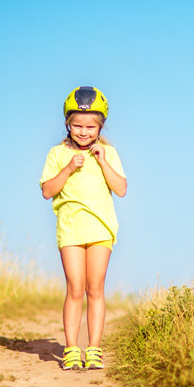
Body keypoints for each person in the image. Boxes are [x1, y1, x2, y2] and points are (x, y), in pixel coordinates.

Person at [39, 86, 128, 371]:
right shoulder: (56, 153)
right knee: (75, 288)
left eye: (90, 126)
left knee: (95, 288)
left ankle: (94, 349)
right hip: (71, 229)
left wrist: (102, 161)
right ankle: (72, 349)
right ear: (67, 123)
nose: (83, 131)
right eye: (77, 125)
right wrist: (67, 169)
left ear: (100, 126)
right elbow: (46, 191)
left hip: (101, 228)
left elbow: (121, 189)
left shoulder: (109, 152)